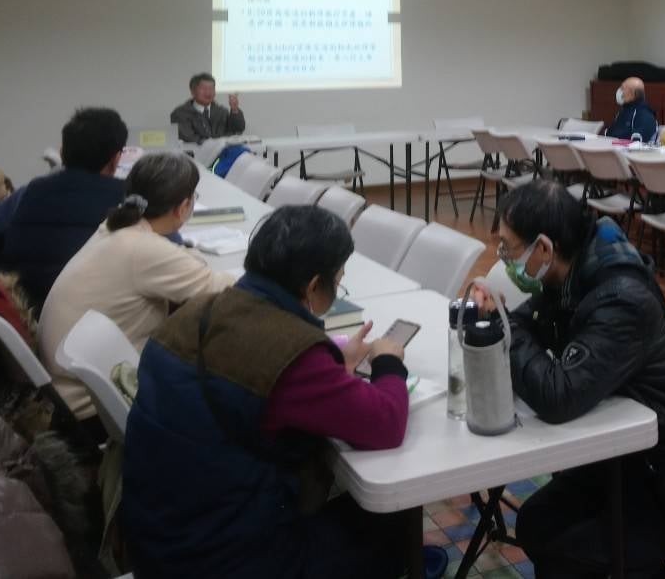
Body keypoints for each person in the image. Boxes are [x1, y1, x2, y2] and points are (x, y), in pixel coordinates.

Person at [123, 204, 421, 579]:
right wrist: (388, 362)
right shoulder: (294, 357)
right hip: (223, 559)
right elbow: (385, 424)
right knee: (395, 523)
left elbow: (246, 376)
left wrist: (331, 365)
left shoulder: (196, 310)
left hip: (156, 538)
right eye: (338, 281)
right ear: (313, 286)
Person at [489, 181, 665, 578]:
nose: (503, 259)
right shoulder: (571, 273)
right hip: (627, 461)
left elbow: (558, 395)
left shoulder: (620, 298)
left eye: (507, 248)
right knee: (536, 524)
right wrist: (507, 324)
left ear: (544, 248)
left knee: (564, 550)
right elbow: (527, 321)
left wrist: (503, 329)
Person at [38, 152, 233, 431]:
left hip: (65, 393)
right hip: (94, 409)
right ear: (183, 207)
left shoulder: (115, 228)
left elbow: (176, 260)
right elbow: (221, 289)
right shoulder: (143, 249)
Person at [0, 107, 130, 311]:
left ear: (62, 153)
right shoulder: (128, 199)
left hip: (24, 312)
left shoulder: (30, 192)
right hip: (98, 315)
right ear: (115, 160)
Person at [169, 73, 245, 144]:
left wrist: (234, 109)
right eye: (203, 88)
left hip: (222, 151)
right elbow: (189, 138)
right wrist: (216, 144)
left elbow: (237, 130)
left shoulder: (221, 111)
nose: (208, 92)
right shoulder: (180, 113)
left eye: (211, 88)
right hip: (195, 153)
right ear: (192, 91)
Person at [607, 77, 658, 143]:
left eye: (622, 88)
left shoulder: (645, 114)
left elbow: (637, 141)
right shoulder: (623, 111)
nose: (619, 91)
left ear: (632, 93)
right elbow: (609, 134)